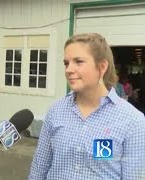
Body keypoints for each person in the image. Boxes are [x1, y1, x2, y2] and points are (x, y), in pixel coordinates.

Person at [28, 33, 145, 179]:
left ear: (102, 67)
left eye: (78, 61)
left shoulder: (133, 121)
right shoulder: (56, 111)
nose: (69, 69)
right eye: (66, 63)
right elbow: (40, 165)